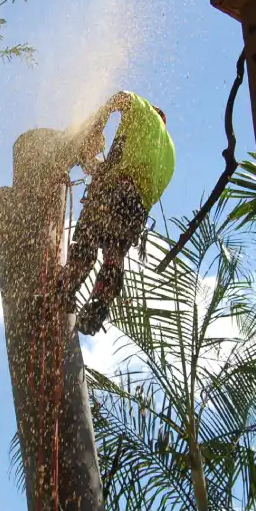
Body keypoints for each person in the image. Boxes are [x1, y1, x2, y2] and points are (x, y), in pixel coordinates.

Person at [57, 91, 176, 336]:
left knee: (87, 243)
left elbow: (120, 97)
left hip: (115, 191)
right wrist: (89, 162)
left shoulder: (143, 112)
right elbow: (118, 170)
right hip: (137, 207)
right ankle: (97, 307)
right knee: (114, 254)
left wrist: (96, 124)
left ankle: (64, 287)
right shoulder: (168, 151)